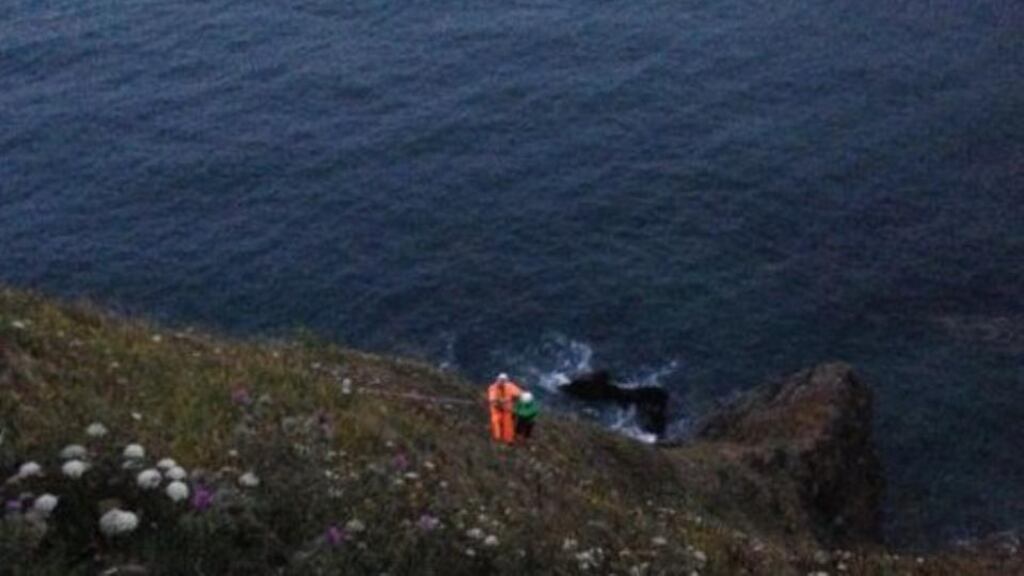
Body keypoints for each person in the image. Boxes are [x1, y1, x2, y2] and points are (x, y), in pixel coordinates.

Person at [487, 373, 521, 444]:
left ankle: (508, 440)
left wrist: (517, 399)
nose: (502, 382)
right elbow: (493, 400)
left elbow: (519, 394)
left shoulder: (510, 386)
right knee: (496, 421)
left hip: (507, 409)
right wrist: (498, 402)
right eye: (501, 380)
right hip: (496, 409)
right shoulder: (493, 388)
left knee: (508, 424)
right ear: (497, 380)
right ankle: (497, 438)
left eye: (504, 381)